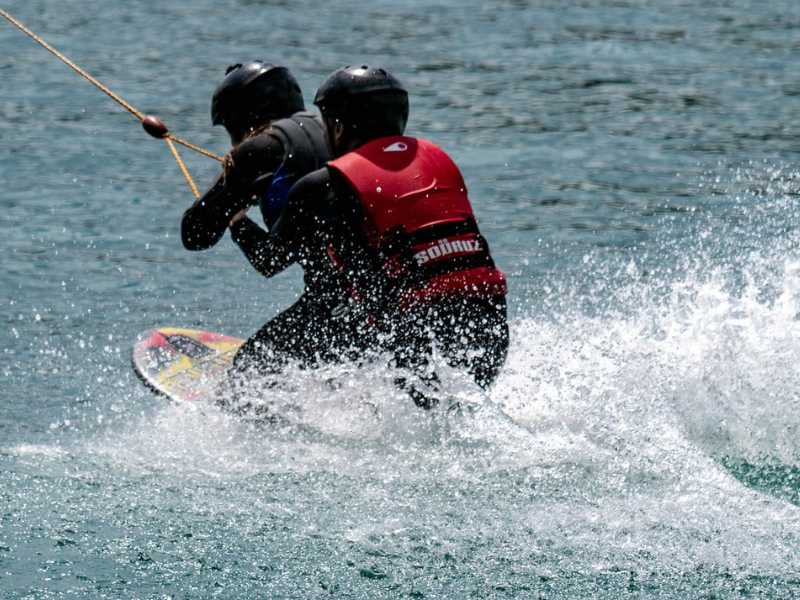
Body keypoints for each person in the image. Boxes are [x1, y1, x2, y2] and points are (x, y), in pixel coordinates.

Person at [270, 65, 509, 407]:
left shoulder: (322, 185)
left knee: (263, 358)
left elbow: (269, 260)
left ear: (336, 125)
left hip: (415, 341)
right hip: (490, 328)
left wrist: (236, 220)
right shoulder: (439, 159)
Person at [180, 61, 358, 377]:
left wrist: (236, 217)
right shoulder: (334, 133)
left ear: (240, 118)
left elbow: (197, 235)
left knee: (248, 370)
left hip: (337, 304)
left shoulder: (262, 148)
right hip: (386, 295)